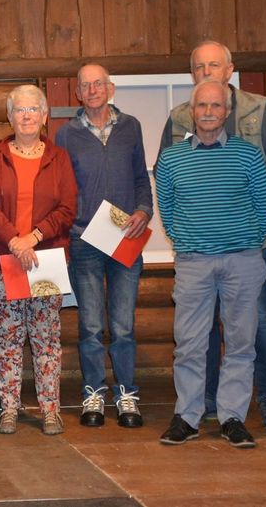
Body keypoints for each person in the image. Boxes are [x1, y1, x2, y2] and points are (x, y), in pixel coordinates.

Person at [159, 40, 266, 429]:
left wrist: (239, 203)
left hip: (249, 243)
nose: (206, 72)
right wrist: (183, 232)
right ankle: (208, 404)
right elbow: (167, 183)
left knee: (255, 324)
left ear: (230, 69)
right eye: (198, 67)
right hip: (196, 249)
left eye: (213, 65)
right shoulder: (180, 116)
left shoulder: (259, 107)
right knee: (197, 333)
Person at [55, 64, 152, 429]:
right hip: (85, 241)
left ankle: (127, 395)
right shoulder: (66, 134)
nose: (93, 90)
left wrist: (144, 209)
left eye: (99, 83)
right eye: (86, 85)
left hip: (125, 238)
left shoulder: (132, 127)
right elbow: (63, 190)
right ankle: (92, 394)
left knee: (124, 326)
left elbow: (142, 177)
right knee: (91, 326)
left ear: (110, 88)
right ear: (77, 93)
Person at [0, 84, 76, 437]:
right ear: (9, 116)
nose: (27, 115)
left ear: (45, 115)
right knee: (7, 337)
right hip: (2, 260)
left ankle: (50, 410)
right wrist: (15, 242)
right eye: (19, 109)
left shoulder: (58, 157)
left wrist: (33, 237)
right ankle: (9, 409)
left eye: (33, 108)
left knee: (46, 338)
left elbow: (67, 208)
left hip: (45, 260)